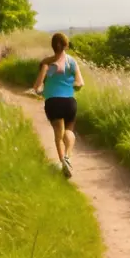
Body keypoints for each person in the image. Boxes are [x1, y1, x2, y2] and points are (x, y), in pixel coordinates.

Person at [31, 32, 84, 178]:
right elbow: (80, 83)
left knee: (58, 135)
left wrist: (41, 91)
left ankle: (63, 163)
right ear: (66, 45)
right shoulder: (72, 62)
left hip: (53, 102)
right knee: (69, 132)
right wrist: (73, 86)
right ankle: (68, 155)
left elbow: (37, 87)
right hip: (69, 102)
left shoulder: (46, 64)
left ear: (53, 46)